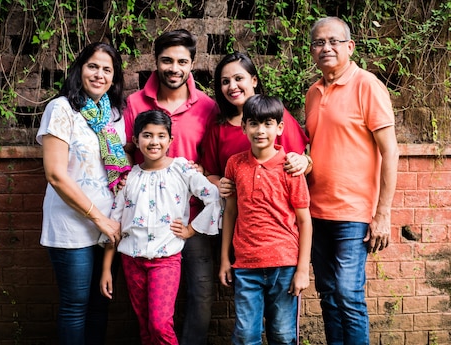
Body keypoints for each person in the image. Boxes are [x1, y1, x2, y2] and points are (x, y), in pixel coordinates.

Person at [305, 17, 400, 345]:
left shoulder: (367, 85)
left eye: (334, 41)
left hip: (354, 214)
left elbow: (391, 152)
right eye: (319, 42)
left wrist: (382, 214)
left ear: (350, 46)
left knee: (348, 293)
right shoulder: (312, 93)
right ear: (312, 50)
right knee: (328, 295)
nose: (326, 48)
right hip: (316, 212)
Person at [122, 29, 219, 345]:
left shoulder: (206, 105)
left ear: (192, 64)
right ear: (156, 62)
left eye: (181, 61)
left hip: (190, 219)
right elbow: (124, 152)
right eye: (167, 60)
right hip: (147, 223)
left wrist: (204, 169)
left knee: (201, 291)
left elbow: (214, 157)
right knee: (154, 309)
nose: (174, 68)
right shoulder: (135, 103)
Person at [36, 42, 130, 345]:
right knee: (75, 306)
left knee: (100, 304)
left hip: (108, 227)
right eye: (93, 66)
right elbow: (55, 175)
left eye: (107, 69)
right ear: (80, 69)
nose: (99, 74)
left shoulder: (114, 114)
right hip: (73, 224)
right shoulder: (61, 108)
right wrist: (99, 219)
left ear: (114, 77)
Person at [100, 110, 221, 345]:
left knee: (159, 324)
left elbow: (213, 197)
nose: (154, 142)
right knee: (145, 326)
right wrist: (106, 269)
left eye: (160, 136)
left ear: (170, 140)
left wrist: (191, 229)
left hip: (165, 261)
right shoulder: (130, 178)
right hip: (131, 261)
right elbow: (115, 225)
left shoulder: (182, 169)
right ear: (136, 141)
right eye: (147, 135)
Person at [218, 95, 312, 345]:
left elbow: (304, 221)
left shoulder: (290, 167)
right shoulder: (235, 165)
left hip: (284, 264)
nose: (261, 131)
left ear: (279, 128)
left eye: (268, 123)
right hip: (246, 265)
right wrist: (225, 259)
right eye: (254, 124)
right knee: (247, 335)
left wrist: (302, 269)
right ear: (244, 127)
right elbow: (230, 212)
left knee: (282, 334)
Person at [202, 51, 311, 192]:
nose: (232, 86)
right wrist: (220, 184)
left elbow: (304, 163)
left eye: (238, 78)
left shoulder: (275, 115)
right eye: (225, 82)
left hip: (276, 207)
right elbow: (209, 174)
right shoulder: (219, 127)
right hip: (235, 208)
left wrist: (304, 162)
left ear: (254, 80)